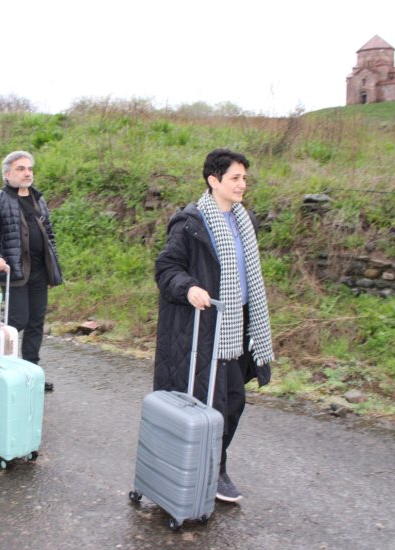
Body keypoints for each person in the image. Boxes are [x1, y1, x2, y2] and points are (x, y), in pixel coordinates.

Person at [153, 148, 274, 503]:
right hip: (202, 331)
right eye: (235, 178)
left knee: (233, 401)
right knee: (214, 403)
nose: (242, 185)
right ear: (213, 180)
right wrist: (188, 287)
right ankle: (205, 470)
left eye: (244, 178)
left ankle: (212, 466)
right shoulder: (190, 222)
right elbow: (166, 268)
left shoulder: (242, 219)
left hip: (236, 328)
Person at [0, 150, 62, 392]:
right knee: (16, 322)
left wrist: (52, 261)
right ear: (7, 174)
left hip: (39, 272)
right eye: (21, 169)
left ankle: (31, 373)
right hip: (14, 273)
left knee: (36, 322)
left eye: (29, 169)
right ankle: (3, 370)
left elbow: (50, 235)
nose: (27, 173)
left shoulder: (38, 199)